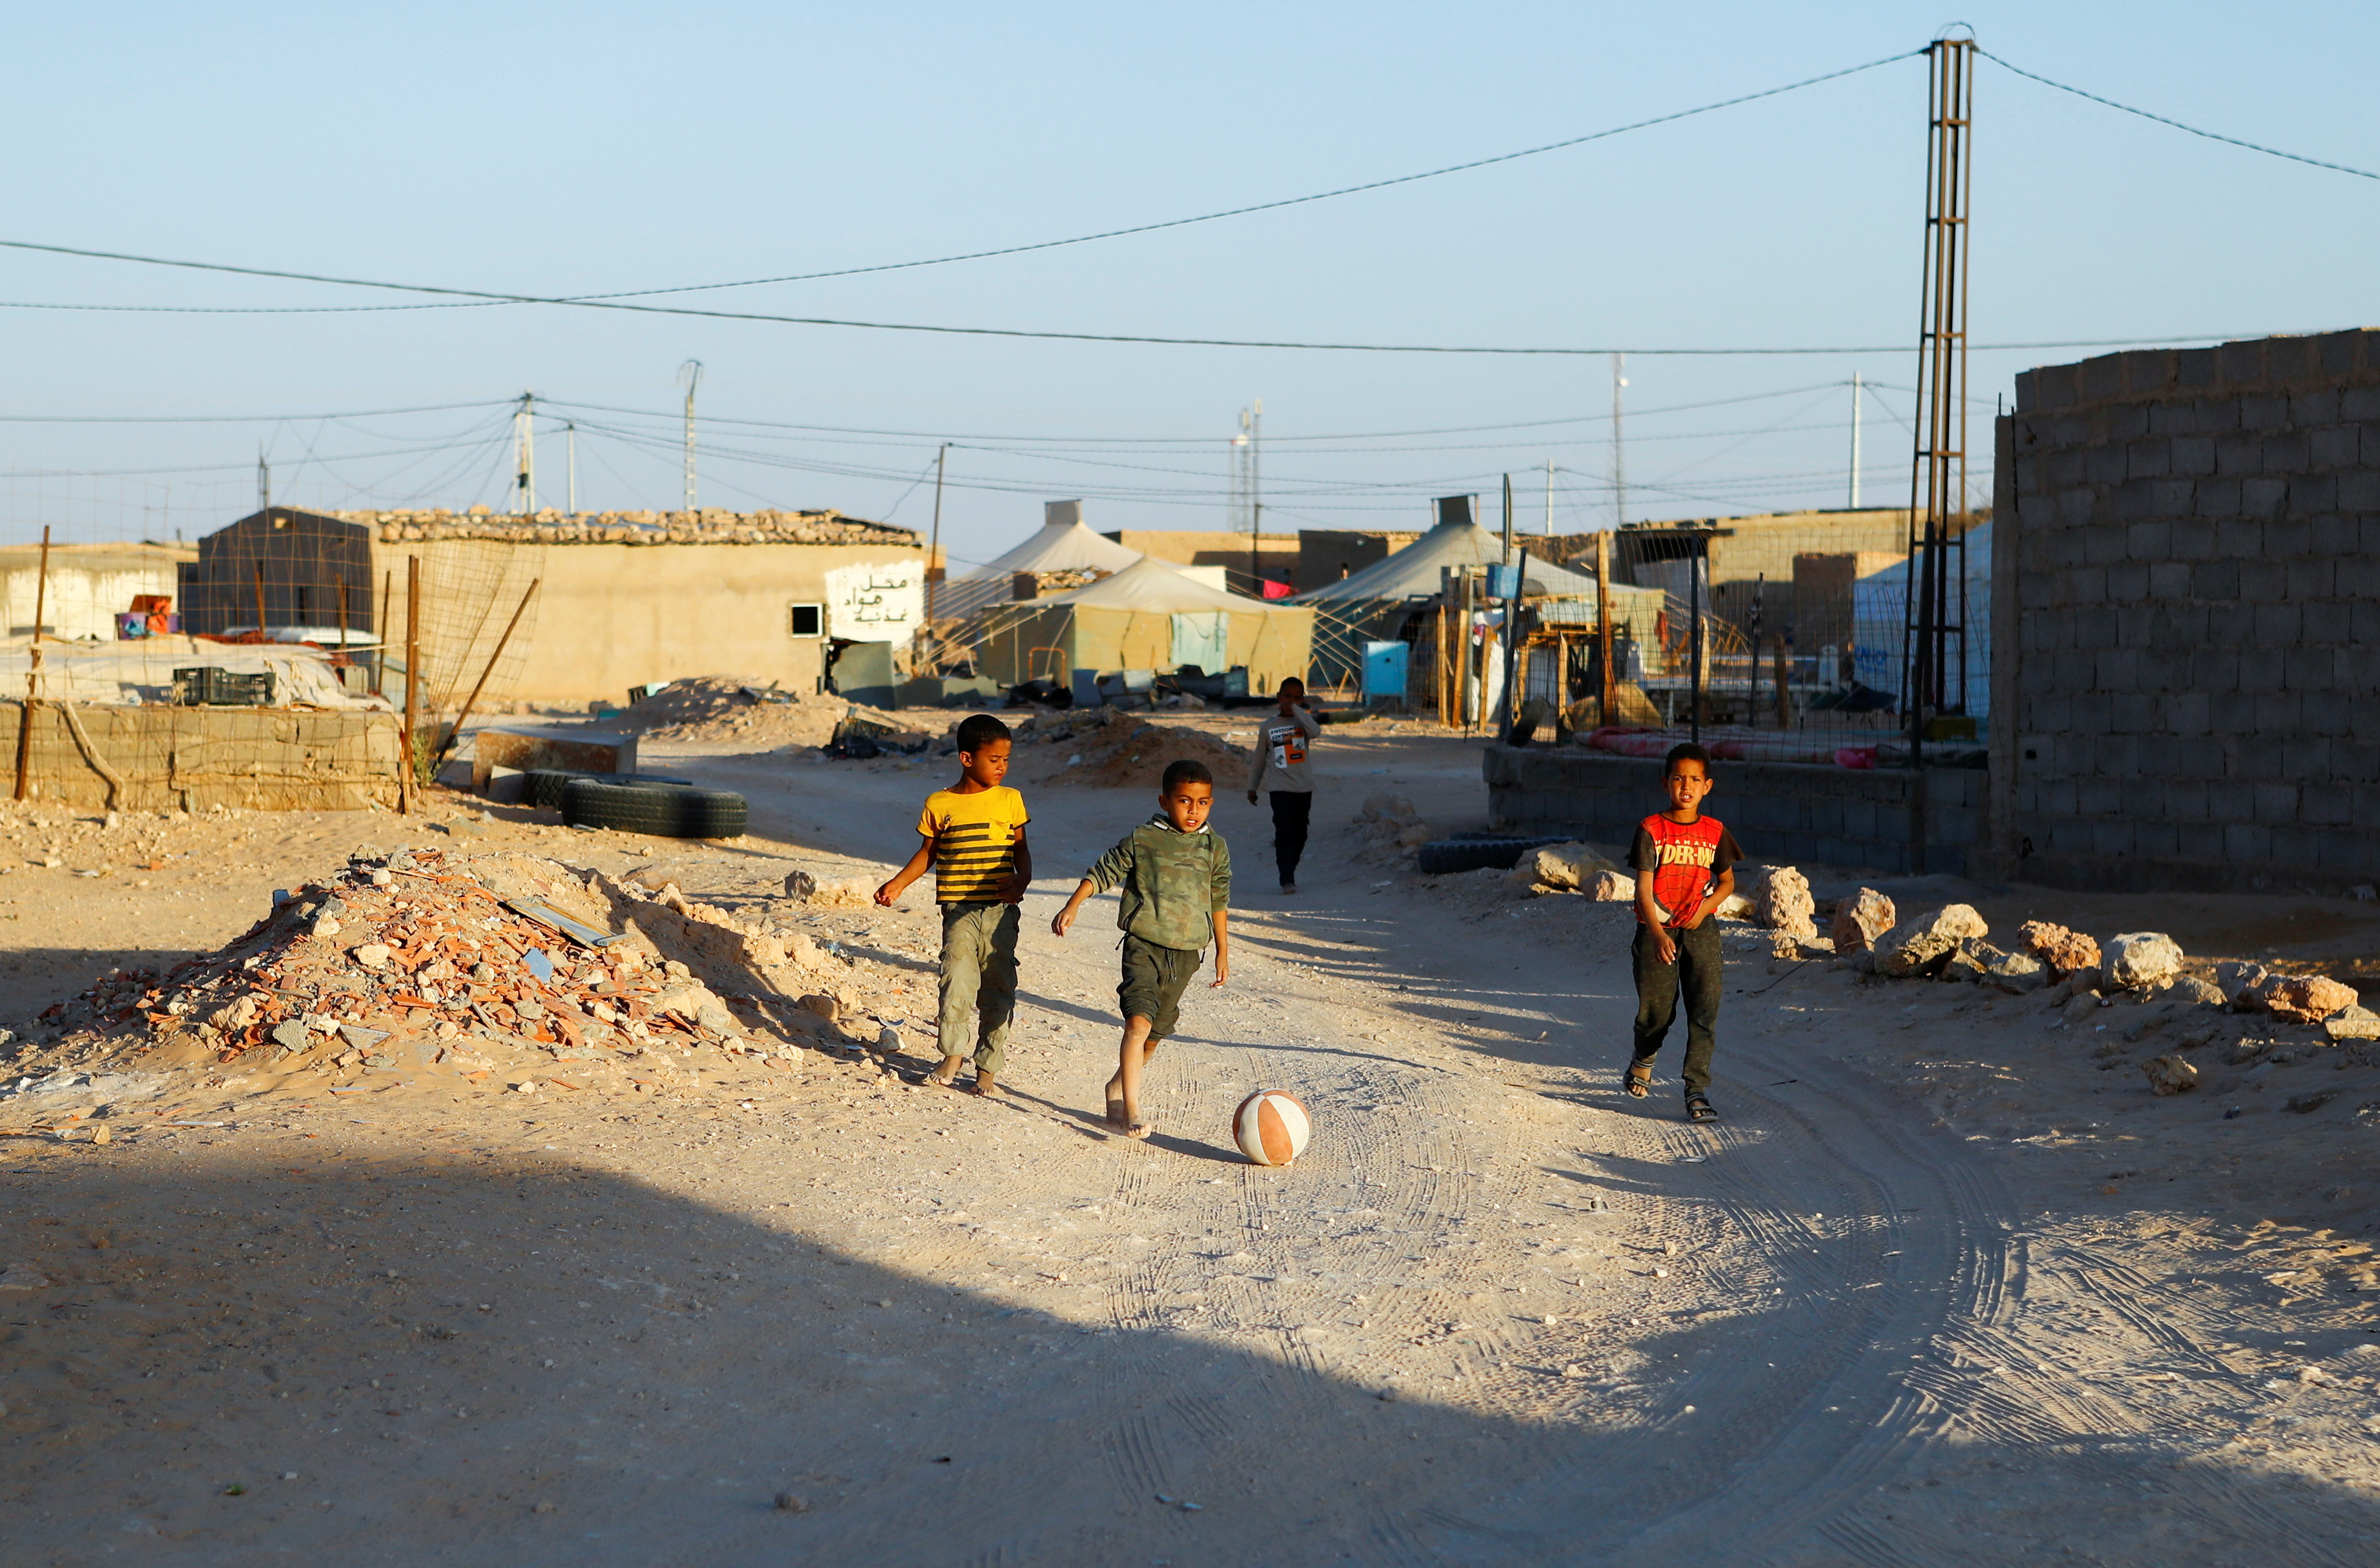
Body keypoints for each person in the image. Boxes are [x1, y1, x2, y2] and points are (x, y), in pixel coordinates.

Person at [1052, 758, 1232, 1140]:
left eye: (1202, 803)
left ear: (1211, 804)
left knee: (1154, 1034)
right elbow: (1105, 870)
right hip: (1143, 945)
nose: (1193, 811)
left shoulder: (1215, 848)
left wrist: (1222, 951)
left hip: (1185, 955)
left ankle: (1117, 1087)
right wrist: (1073, 903)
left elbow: (1219, 898)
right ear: (1165, 801)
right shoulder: (1144, 838)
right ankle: (1134, 1110)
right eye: (1184, 801)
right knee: (1138, 1022)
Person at [875, 713, 1032, 1097]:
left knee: (999, 989)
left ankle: (988, 1069)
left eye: (1006, 760)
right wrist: (897, 884)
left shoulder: (1010, 799)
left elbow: (1022, 851)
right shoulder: (940, 803)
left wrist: (1022, 880)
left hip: (999, 914)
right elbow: (928, 854)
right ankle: (952, 1055)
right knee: (956, 981)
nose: (1002, 767)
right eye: (994, 760)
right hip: (959, 910)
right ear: (967, 759)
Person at [1625, 742, 1741, 1124]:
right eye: (1678, 779)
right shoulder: (1651, 829)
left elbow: (1726, 883)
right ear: (1665, 784)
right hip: (1657, 930)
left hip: (1701, 930)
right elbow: (1643, 889)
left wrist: (1706, 909)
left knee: (1705, 1008)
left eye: (1694, 780)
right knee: (1656, 1012)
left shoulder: (1715, 832)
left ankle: (1696, 1088)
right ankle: (1644, 1056)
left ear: (1707, 786)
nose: (1686, 787)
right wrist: (1658, 936)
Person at [1244, 676, 1321, 895]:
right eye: (1287, 697)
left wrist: (1298, 712)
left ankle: (1290, 865)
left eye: (1297, 698)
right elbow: (1259, 759)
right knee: (1284, 831)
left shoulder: (1303, 723)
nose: (1291, 701)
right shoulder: (1268, 727)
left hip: (1304, 787)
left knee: (1301, 834)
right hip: (1280, 788)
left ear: (1302, 700)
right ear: (1279, 697)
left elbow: (1316, 733)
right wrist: (1253, 787)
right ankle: (1286, 876)